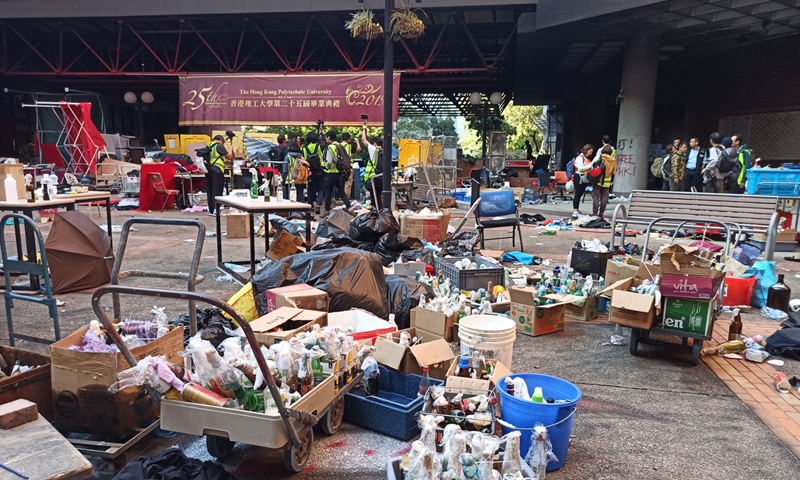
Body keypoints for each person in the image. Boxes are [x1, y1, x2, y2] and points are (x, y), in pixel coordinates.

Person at [323, 130, 351, 214]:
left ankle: (327, 210)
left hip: (332, 173)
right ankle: (350, 208)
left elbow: (329, 162)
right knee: (341, 192)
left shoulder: (330, 147)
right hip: (341, 172)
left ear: (329, 138)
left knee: (328, 192)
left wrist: (326, 166)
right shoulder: (340, 146)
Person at [204, 135, 232, 215]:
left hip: (208, 169)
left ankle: (211, 210)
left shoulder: (208, 145)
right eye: (223, 142)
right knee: (217, 190)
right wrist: (231, 149)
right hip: (217, 170)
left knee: (210, 190)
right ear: (220, 140)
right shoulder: (218, 146)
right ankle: (216, 210)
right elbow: (229, 156)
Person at [361, 124, 384, 209]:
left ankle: (376, 215)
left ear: (374, 143)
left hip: (373, 178)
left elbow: (364, 140)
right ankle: (379, 213)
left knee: (374, 199)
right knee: (378, 198)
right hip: (381, 178)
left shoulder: (374, 150)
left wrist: (364, 129)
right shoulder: (384, 152)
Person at [302, 131, 325, 214]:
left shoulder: (305, 148)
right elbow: (321, 157)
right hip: (319, 171)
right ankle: (318, 205)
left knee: (310, 189)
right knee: (320, 188)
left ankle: (310, 205)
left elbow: (304, 160)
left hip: (310, 172)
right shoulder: (318, 147)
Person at [592, 145, 617, 217]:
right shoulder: (613, 160)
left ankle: (594, 213)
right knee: (604, 197)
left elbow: (592, 166)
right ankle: (601, 213)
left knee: (596, 196)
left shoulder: (599, 157)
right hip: (607, 181)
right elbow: (614, 171)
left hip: (598, 180)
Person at [571, 144, 595, 219]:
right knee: (577, 194)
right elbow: (580, 168)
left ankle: (577, 209)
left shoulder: (585, 158)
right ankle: (575, 210)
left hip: (584, 177)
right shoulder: (580, 158)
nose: (590, 154)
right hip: (579, 177)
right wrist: (590, 165)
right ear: (586, 150)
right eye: (590, 152)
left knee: (580, 193)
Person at [341, 132, 361, 200]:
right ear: (348, 139)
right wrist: (357, 142)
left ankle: (338, 197)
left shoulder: (339, 146)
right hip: (348, 167)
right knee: (348, 183)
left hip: (339, 167)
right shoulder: (349, 146)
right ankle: (346, 199)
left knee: (340, 183)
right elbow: (359, 149)